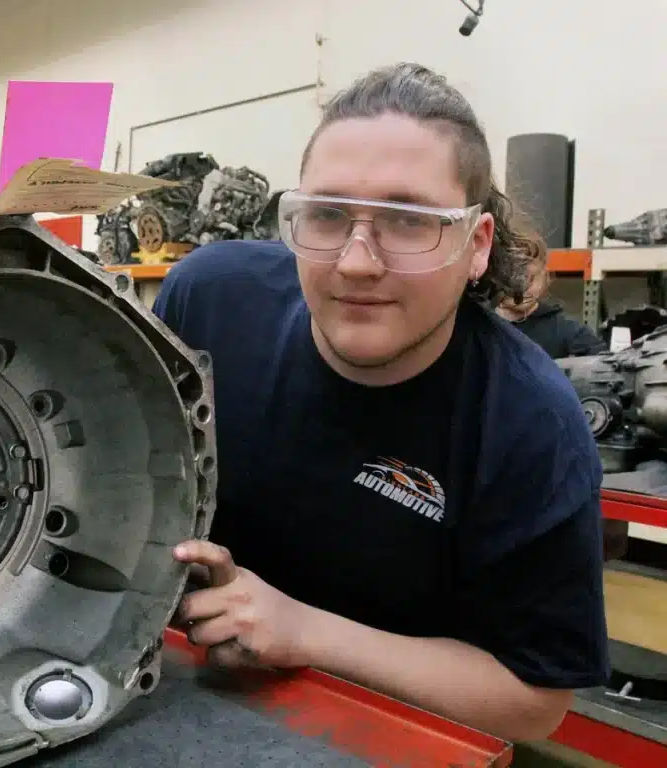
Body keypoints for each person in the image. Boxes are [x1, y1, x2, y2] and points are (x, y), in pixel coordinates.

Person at [155, 63, 610, 743]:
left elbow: (535, 700)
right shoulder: (207, 302)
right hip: (179, 697)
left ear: (476, 246)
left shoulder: (528, 422)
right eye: (329, 214)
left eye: (408, 221)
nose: (357, 262)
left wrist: (301, 631)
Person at [495, 259, 607, 357]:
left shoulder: (569, 332)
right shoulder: (480, 326)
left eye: (530, 278)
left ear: (545, 278)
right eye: (512, 279)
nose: (521, 287)